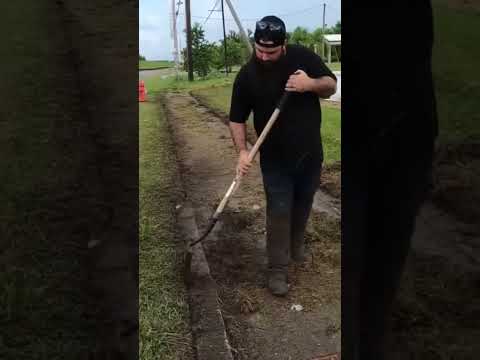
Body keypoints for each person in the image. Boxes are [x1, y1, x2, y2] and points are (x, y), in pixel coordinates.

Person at [228, 15, 337, 296]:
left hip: (310, 153)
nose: (264, 56)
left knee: (303, 204)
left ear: (284, 44)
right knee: (278, 209)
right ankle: (277, 268)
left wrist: (309, 85)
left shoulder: (303, 57)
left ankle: (296, 247)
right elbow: (236, 118)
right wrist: (242, 152)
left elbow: (330, 85)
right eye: (259, 49)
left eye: (271, 51)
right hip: (275, 158)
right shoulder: (247, 75)